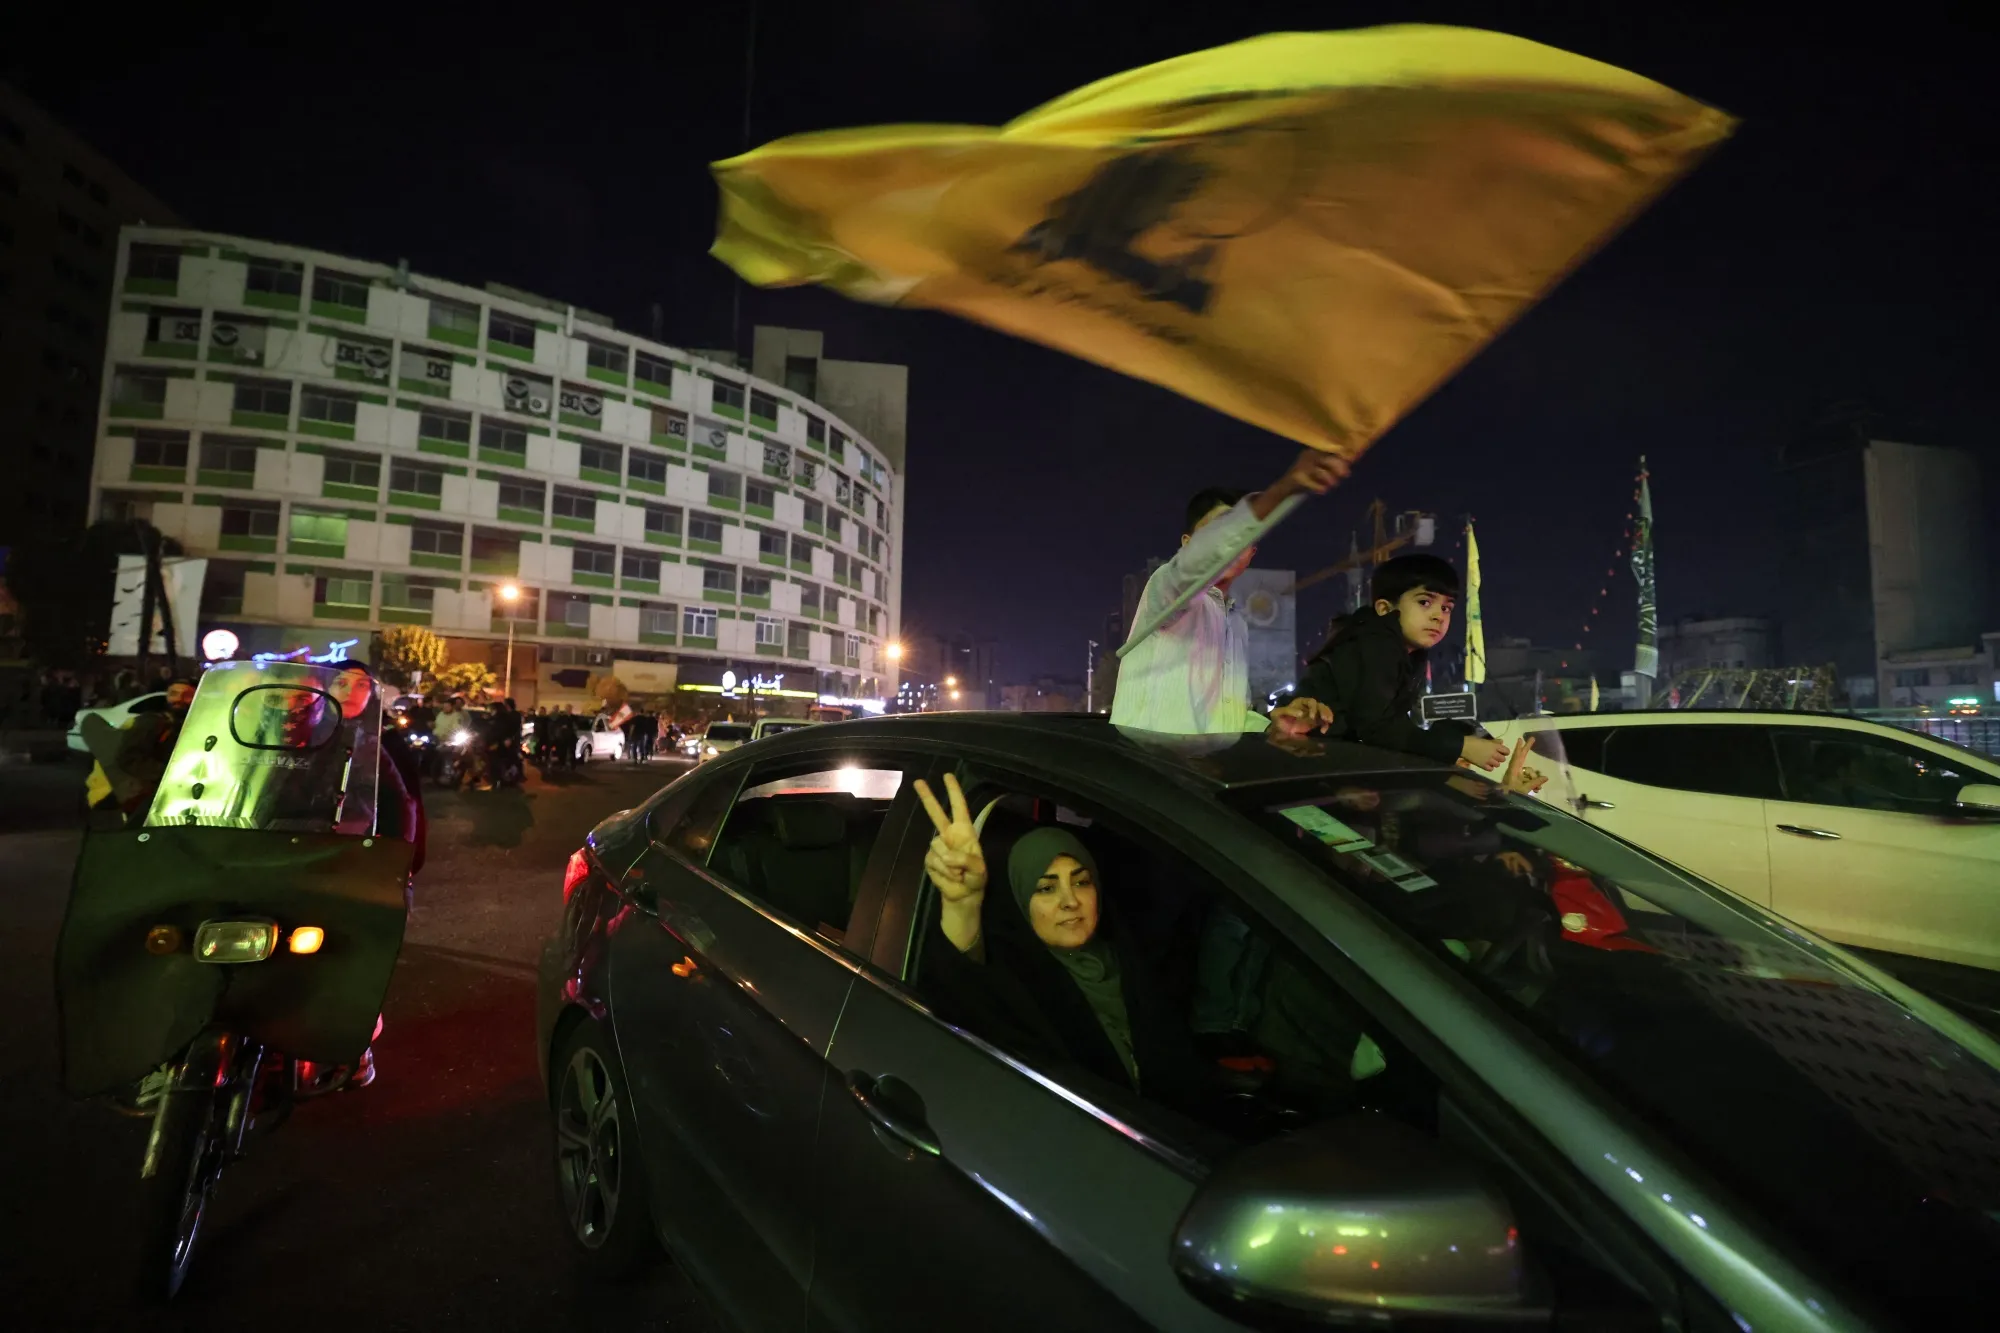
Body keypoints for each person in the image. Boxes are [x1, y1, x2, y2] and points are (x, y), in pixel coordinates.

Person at [913, 774, 1216, 1117]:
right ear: (1019, 897)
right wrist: (962, 906)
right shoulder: (1016, 983)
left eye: (1082, 882)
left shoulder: (1126, 960)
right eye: (1046, 888)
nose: (1070, 901)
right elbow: (959, 999)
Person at [1111, 447, 1349, 737]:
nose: (1233, 543)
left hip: (1200, 774)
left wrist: (1274, 725)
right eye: (1219, 529)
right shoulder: (1167, 590)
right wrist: (1282, 491)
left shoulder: (1236, 623)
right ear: (1187, 543)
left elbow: (1229, 717)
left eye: (1244, 536)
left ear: (1251, 554)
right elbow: (1195, 565)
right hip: (1147, 771)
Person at [1290, 554, 1510, 770]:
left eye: (1446, 608)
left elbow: (1394, 725)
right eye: (1425, 602)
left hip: (1326, 764)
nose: (1438, 616)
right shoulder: (1375, 643)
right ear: (1385, 608)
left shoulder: (1406, 651)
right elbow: (1377, 728)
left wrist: (1467, 738)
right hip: (1308, 768)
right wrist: (1460, 746)